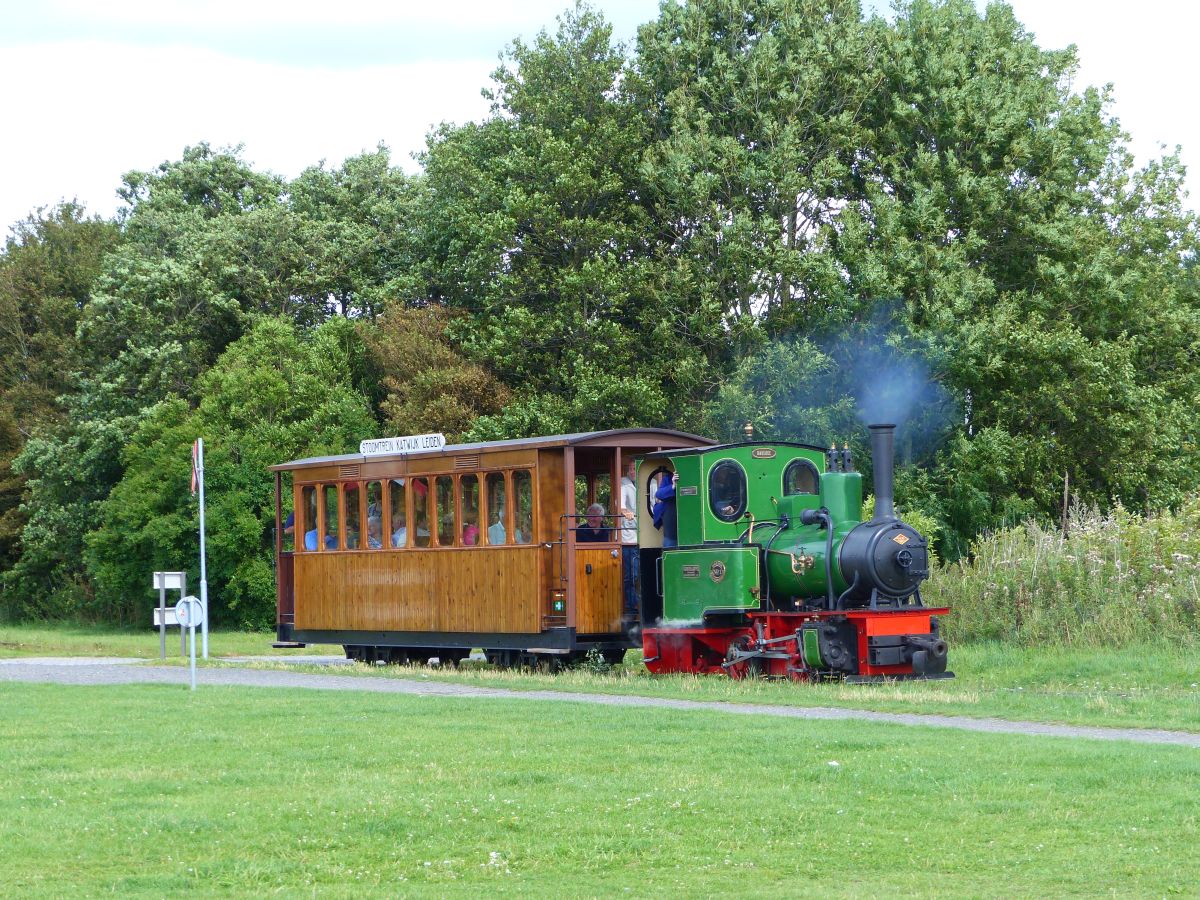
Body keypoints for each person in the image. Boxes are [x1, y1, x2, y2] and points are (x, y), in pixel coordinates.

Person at [619, 460, 639, 613]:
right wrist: (627, 513)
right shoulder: (623, 483)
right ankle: (631, 608)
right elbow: (621, 506)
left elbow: (655, 502)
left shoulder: (651, 482)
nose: (633, 471)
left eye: (635, 468)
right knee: (631, 576)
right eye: (630, 468)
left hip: (648, 536)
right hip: (629, 537)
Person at [655, 471, 678, 548]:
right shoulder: (668, 478)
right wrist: (673, 486)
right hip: (672, 526)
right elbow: (659, 494)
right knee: (670, 543)